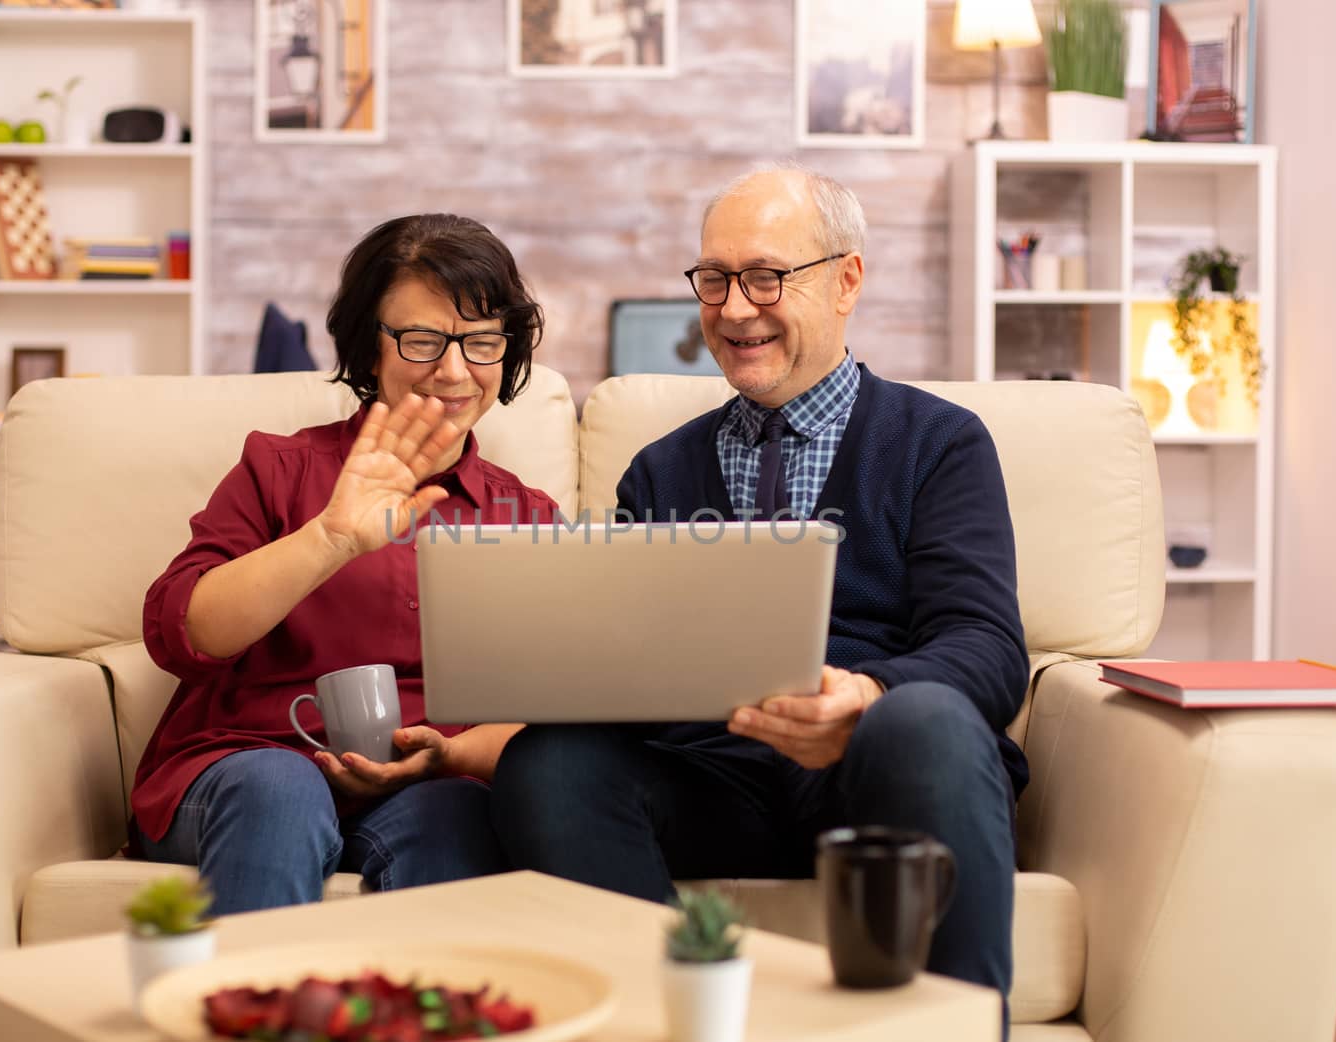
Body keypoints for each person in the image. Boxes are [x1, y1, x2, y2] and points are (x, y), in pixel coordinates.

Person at [489, 166, 1028, 1024]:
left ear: (846, 280)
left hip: (876, 769)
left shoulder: (940, 444)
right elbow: (625, 672)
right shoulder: (659, 471)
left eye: (766, 276)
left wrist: (866, 695)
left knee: (922, 716)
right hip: (714, 779)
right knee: (548, 765)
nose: (736, 308)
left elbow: (989, 649)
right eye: (714, 279)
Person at [132, 214, 555, 915]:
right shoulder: (280, 468)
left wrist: (449, 756)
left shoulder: (527, 516)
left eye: (481, 341)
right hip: (253, 766)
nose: (454, 371)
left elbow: (558, 714)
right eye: (422, 340)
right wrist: (331, 536)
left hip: (430, 783)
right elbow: (183, 635)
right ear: (369, 348)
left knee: (455, 818)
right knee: (281, 790)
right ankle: (257, 1021)